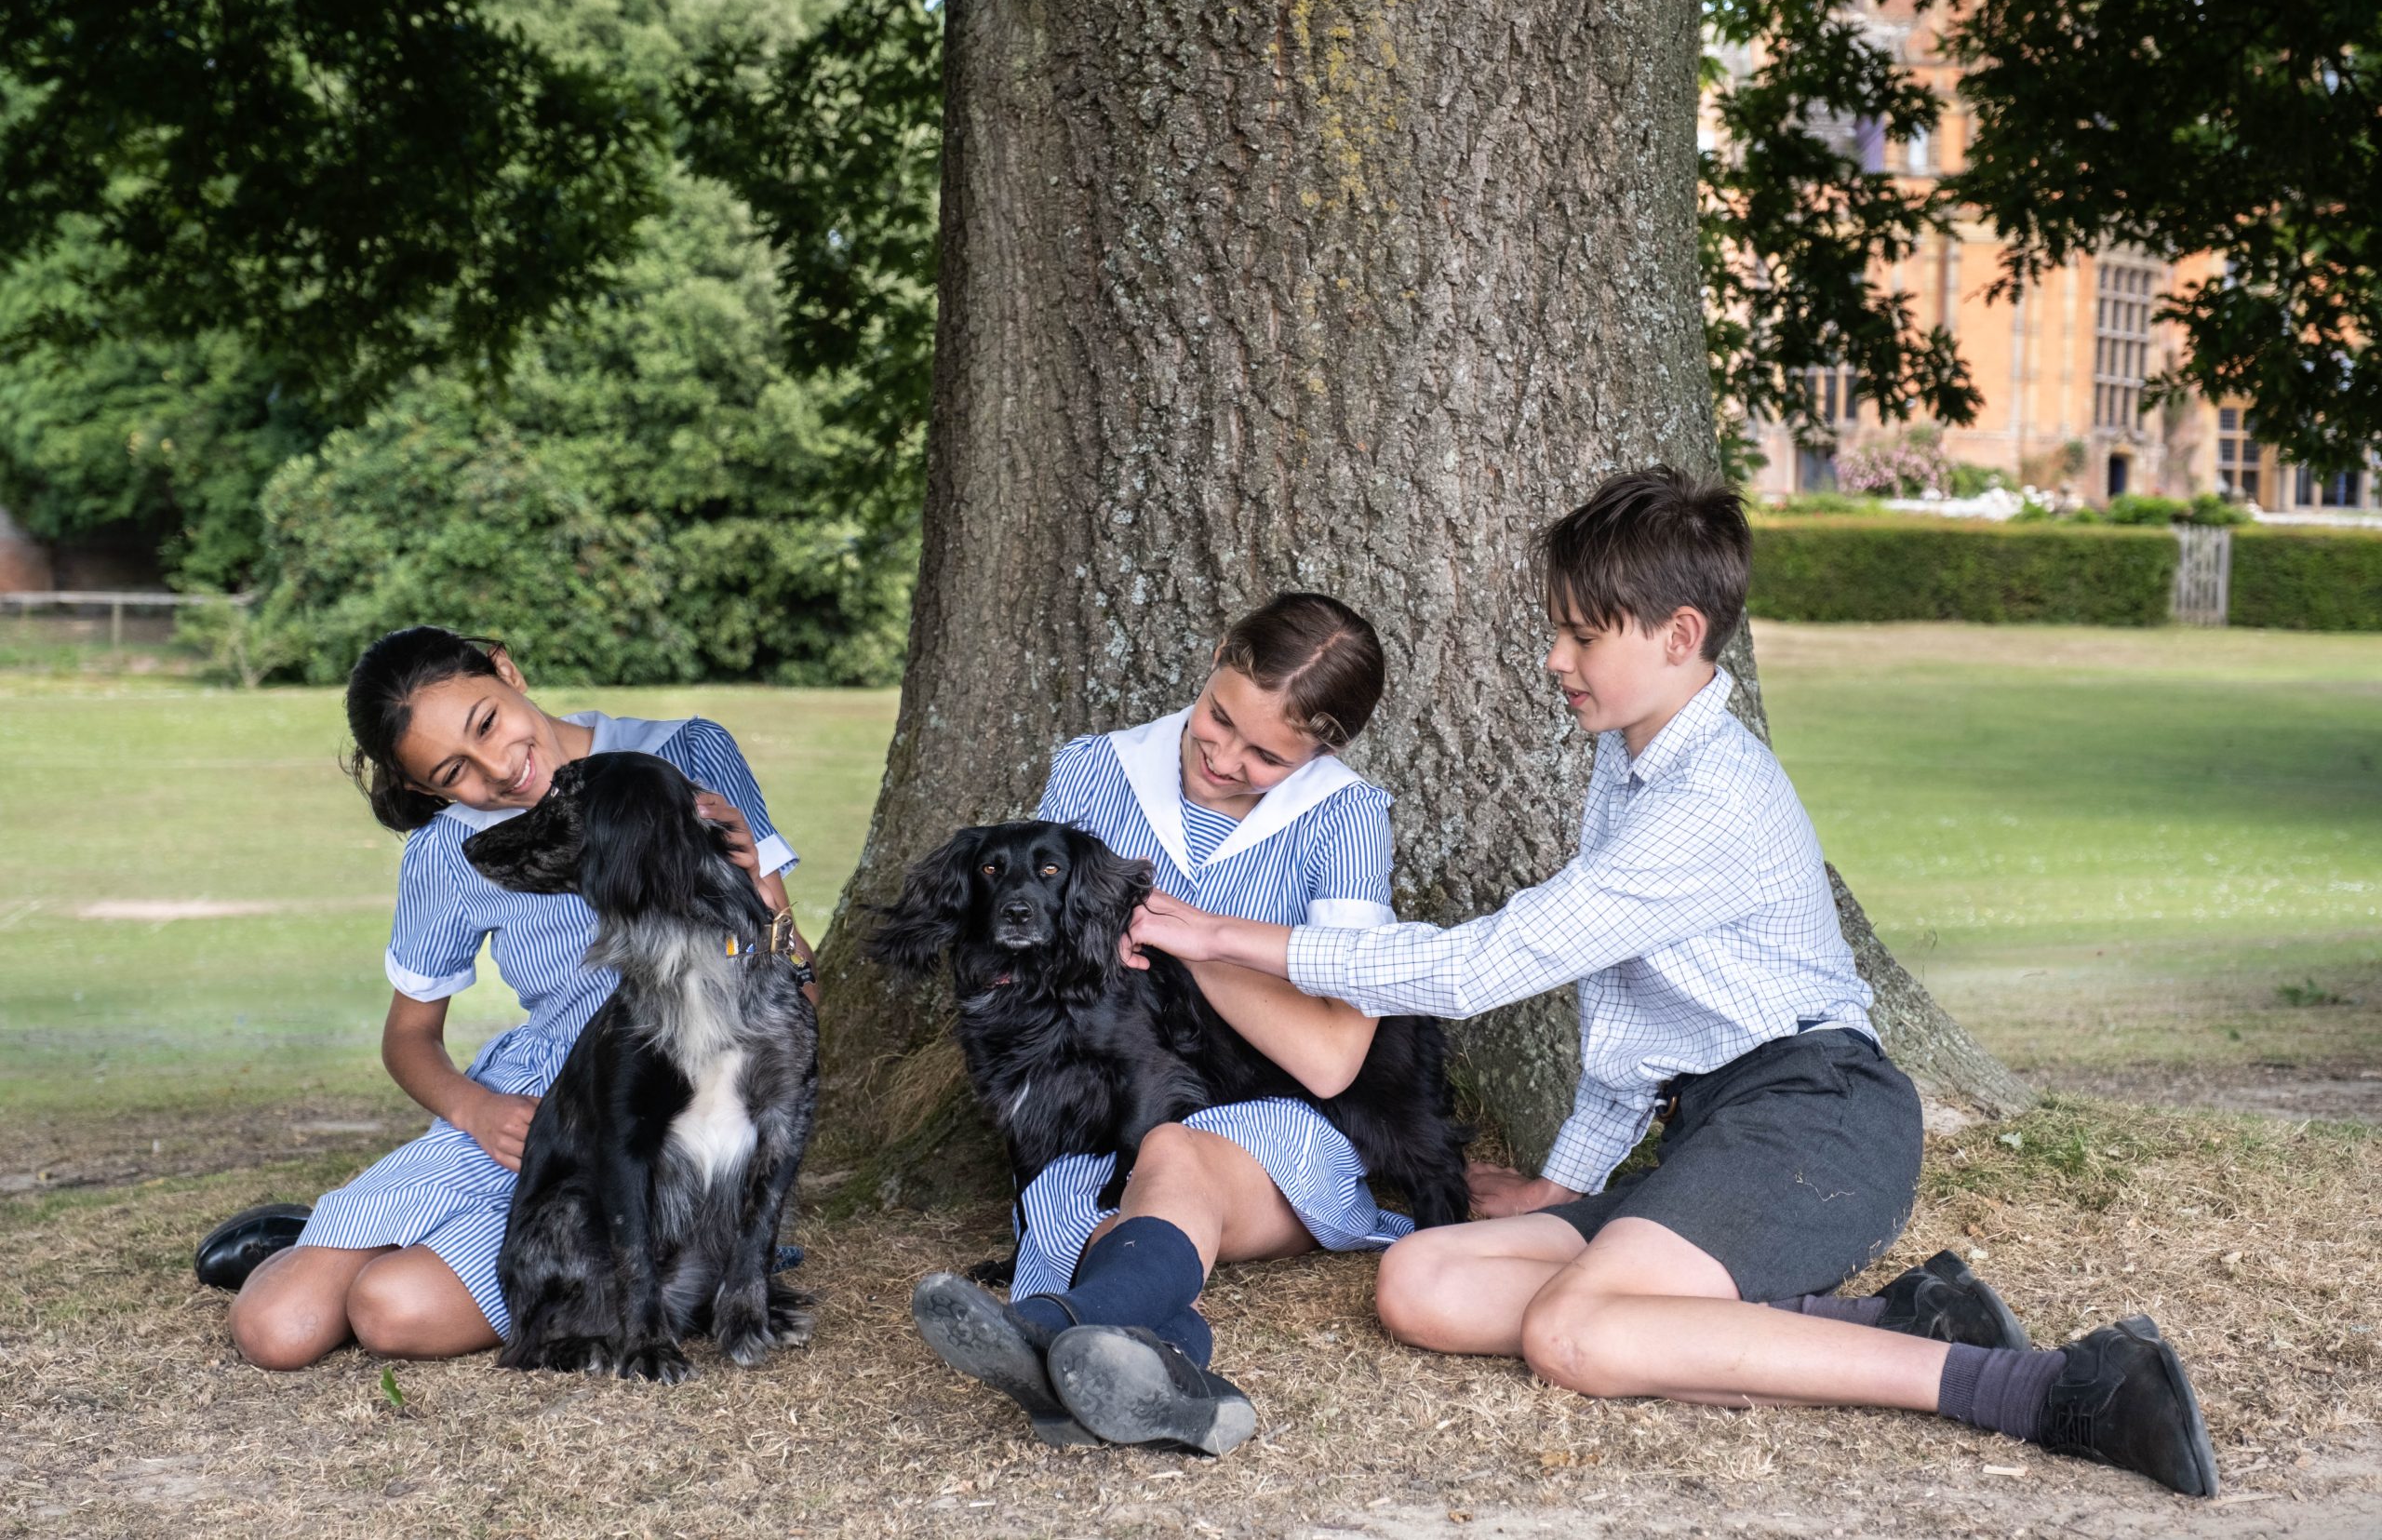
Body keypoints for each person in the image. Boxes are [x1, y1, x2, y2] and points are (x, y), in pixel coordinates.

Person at [1124, 468, 2218, 1497]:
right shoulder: (1634, 762)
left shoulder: (1709, 799)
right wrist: (1569, 1180)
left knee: (1575, 1336)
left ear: (1678, 635)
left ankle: (2049, 1388)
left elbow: (1476, 967)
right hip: (1719, 1134)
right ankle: (1910, 1317)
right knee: (1425, 1286)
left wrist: (1229, 937)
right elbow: (1630, 1008)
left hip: (1816, 1121)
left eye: (1579, 633)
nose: (1555, 658)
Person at [206, 626, 814, 1370]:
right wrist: (475, 1109)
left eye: (486, 722)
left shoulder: (688, 753)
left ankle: (391, 1252)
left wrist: (761, 886)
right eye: (453, 769)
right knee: (276, 1327)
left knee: (388, 1308)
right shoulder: (446, 852)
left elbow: (798, 983)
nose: (497, 768)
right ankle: (318, 1235)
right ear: (429, 789)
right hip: (526, 1114)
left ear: (507, 671)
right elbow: (408, 1038)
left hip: (659, 1122)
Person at [910, 592, 1407, 1455]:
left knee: (1171, 1154)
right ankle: (1168, 1378)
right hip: (1104, 1118)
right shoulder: (1095, 770)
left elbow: (1331, 1060)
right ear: (1216, 655)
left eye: (1266, 755)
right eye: (1219, 717)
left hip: (1279, 1117)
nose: (1222, 756)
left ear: (1325, 749)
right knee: (1094, 1224)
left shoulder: (1345, 818)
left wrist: (1202, 941)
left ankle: (1039, 1332)